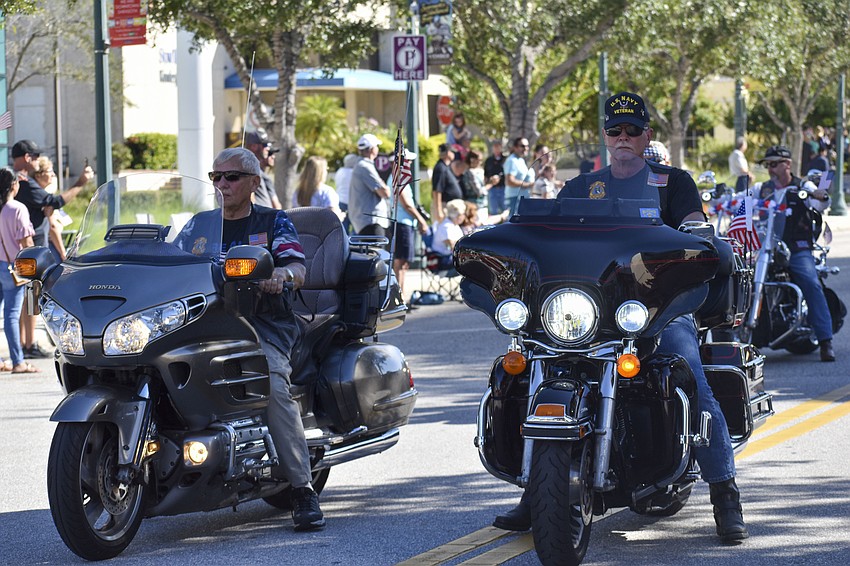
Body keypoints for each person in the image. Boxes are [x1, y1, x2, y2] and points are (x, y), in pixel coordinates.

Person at [493, 92, 749, 544]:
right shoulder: (579, 189)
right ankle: (536, 493)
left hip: (656, 311)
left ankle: (724, 493)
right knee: (530, 369)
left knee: (691, 375)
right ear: (606, 137)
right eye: (616, 130)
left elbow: (695, 230)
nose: (624, 137)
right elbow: (549, 242)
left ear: (647, 135)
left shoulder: (673, 183)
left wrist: (701, 236)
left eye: (633, 130)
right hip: (587, 314)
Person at [178, 147, 324, 531]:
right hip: (206, 321)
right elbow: (171, 260)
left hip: (262, 322)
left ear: (254, 183)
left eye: (232, 177)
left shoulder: (274, 222)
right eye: (216, 177)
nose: (222, 184)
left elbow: (297, 266)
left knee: (272, 384)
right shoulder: (199, 225)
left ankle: (302, 488)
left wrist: (283, 276)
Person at [12, 139, 92, 359]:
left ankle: (27, 344)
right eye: (35, 156)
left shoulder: (22, 181)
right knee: (26, 300)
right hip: (30, 250)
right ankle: (26, 346)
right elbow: (55, 201)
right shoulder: (24, 182)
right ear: (27, 158)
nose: (37, 160)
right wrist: (81, 182)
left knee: (28, 300)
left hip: (30, 249)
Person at [755, 145, 834, 361]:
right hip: (767, 248)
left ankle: (826, 340)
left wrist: (820, 193)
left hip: (797, 247)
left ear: (787, 164)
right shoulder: (762, 189)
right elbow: (742, 203)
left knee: (810, 281)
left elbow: (821, 202)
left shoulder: (802, 186)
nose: (770, 169)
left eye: (773, 164)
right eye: (767, 165)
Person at [0, 169, 38, 374]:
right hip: (13, 267)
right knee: (12, 316)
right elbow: (27, 242)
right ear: (14, 186)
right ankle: (18, 361)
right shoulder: (17, 209)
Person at [390, 180, 430, 302]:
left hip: (405, 223)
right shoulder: (398, 178)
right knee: (401, 263)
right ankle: (399, 298)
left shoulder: (401, 179)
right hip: (401, 224)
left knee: (404, 263)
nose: (409, 163)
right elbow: (406, 204)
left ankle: (400, 296)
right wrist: (421, 220)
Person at [348, 134, 391, 236]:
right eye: (376, 146)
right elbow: (385, 193)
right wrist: (385, 187)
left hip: (367, 221)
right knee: (375, 251)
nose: (378, 149)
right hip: (371, 221)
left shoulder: (362, 165)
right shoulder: (365, 167)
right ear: (372, 149)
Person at [32, 156, 69, 262]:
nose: (53, 174)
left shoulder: (37, 196)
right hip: (51, 246)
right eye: (50, 171)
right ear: (39, 175)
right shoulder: (45, 200)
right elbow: (52, 227)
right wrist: (63, 254)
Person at [293, 156, 343, 220]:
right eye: (326, 169)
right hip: (323, 229)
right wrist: (340, 216)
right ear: (321, 172)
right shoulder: (327, 192)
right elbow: (334, 218)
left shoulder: (298, 192)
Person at [245, 131, 282, 209]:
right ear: (254, 146)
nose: (268, 148)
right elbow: (250, 197)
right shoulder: (247, 168)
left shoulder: (256, 169)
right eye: (265, 145)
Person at [430, 198, 466, 270]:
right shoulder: (446, 226)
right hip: (442, 260)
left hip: (449, 258)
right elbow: (453, 246)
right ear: (458, 215)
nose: (464, 216)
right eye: (463, 214)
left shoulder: (454, 225)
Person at [431, 143, 462, 223]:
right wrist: (439, 211)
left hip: (450, 206)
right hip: (444, 206)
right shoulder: (440, 168)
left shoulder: (446, 167)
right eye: (452, 152)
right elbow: (437, 190)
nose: (454, 154)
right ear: (448, 153)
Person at [503, 137, 535, 213]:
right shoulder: (512, 160)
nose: (526, 148)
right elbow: (509, 181)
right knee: (513, 223)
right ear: (515, 147)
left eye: (527, 146)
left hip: (522, 199)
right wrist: (528, 185)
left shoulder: (520, 160)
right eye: (522, 146)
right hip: (514, 199)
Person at [335, 153, 358, 233]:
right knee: (356, 227)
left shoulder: (339, 171)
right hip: (353, 202)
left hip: (340, 200)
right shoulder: (354, 172)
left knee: (343, 227)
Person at [484, 139, 507, 215]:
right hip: (492, 189)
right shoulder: (489, 160)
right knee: (493, 212)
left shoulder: (505, 159)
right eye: (495, 146)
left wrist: (499, 177)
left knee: (505, 211)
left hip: (503, 188)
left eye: (498, 146)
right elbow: (486, 174)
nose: (496, 148)